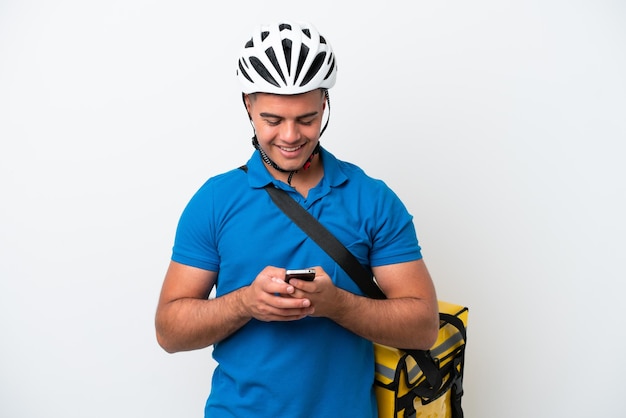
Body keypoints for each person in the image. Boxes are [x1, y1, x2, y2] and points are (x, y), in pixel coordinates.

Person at [155, 21, 439, 418]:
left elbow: (423, 327)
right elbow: (169, 331)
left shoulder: (372, 198)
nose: (290, 136)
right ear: (248, 105)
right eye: (273, 119)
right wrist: (245, 303)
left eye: (306, 118)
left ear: (324, 104)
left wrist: (337, 304)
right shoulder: (215, 200)